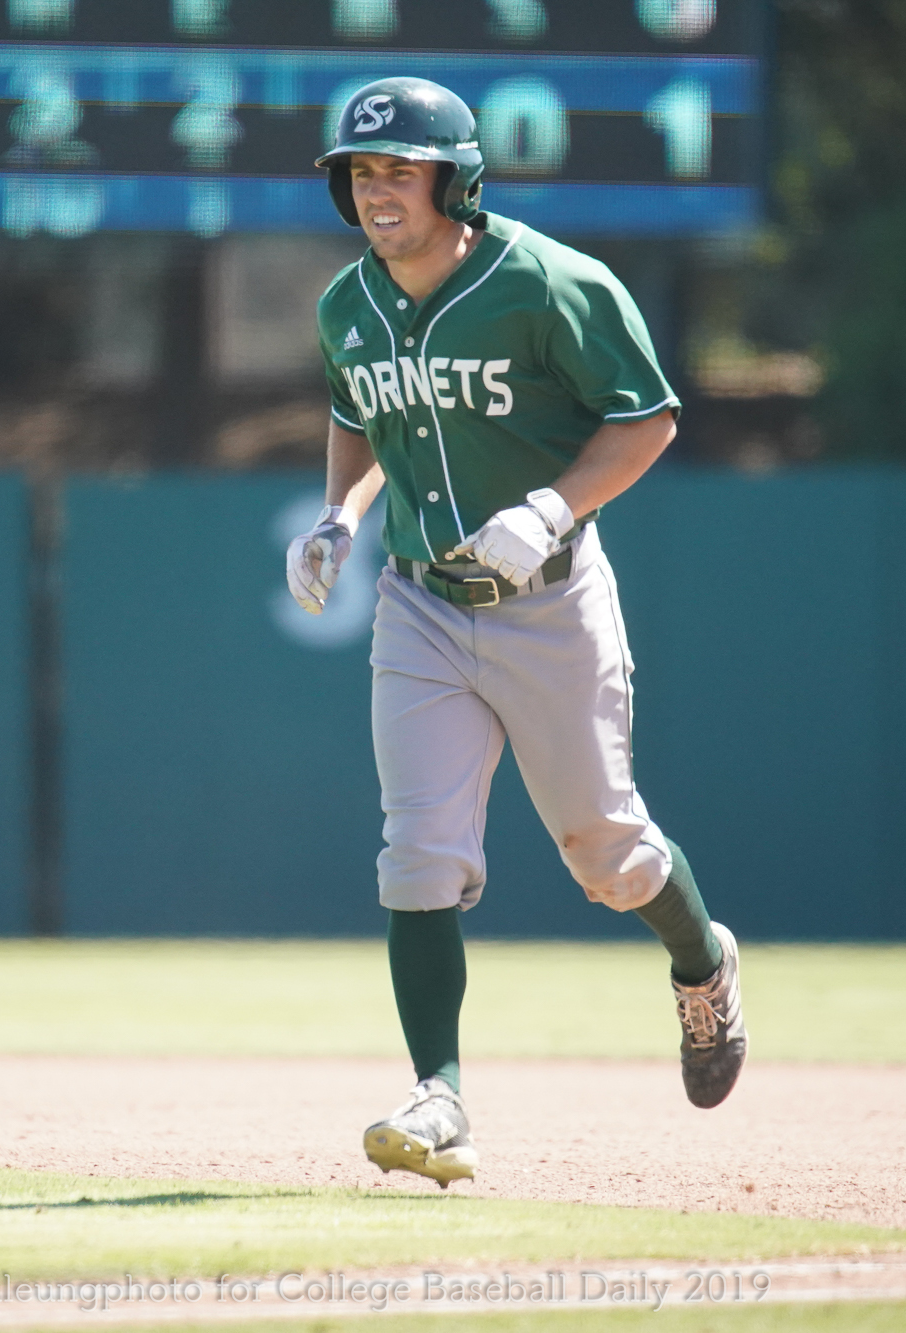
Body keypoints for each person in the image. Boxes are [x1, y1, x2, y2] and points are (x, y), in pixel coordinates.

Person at [283, 77, 746, 1188]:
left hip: (549, 599)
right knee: (417, 853)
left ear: (455, 181)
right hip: (420, 603)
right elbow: (358, 416)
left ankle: (702, 961)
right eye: (361, 172)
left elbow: (648, 418)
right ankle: (437, 1095)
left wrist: (551, 506)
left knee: (608, 853)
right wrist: (337, 518)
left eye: (401, 171)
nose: (377, 190)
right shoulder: (346, 303)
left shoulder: (547, 282)